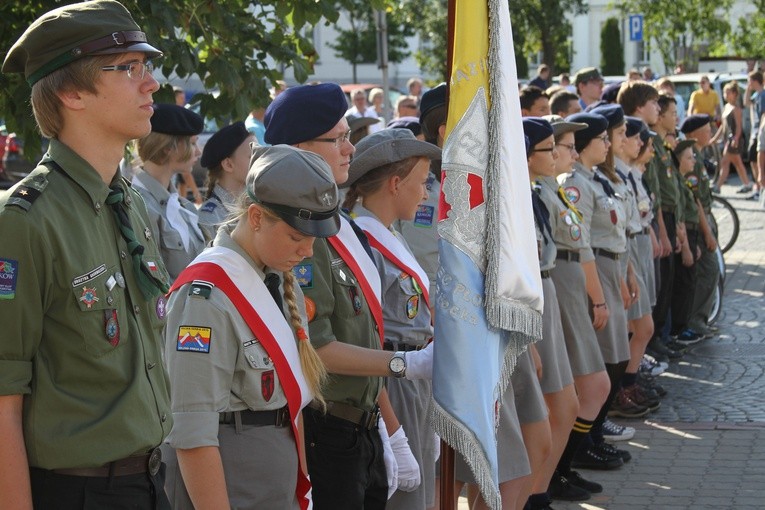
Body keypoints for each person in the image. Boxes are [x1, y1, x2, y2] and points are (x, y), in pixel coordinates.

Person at [0, 1, 173, 508]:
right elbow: (3, 400)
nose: (151, 83)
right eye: (128, 68)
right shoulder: (25, 221)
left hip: (149, 480)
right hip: (76, 490)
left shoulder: (129, 200)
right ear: (72, 92)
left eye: (147, 66)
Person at [264, 82, 423, 509]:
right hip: (326, 432)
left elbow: (365, 336)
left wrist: (392, 432)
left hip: (361, 426)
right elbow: (318, 347)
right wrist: (404, 363)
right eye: (338, 139)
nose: (350, 149)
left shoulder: (344, 228)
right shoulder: (299, 234)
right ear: (300, 149)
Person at [162, 145, 339, 509]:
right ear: (256, 217)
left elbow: (291, 403)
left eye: (314, 238)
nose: (308, 251)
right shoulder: (207, 297)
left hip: (274, 484)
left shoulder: (275, 280)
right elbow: (193, 431)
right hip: (232, 486)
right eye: (296, 236)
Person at [342, 128, 440, 510]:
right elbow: (366, 340)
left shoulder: (389, 234)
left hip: (413, 378)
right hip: (392, 383)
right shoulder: (362, 242)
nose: (427, 193)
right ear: (396, 184)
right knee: (406, 501)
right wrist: (394, 428)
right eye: (421, 182)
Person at [560, 111, 635, 471]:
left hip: (609, 265)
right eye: (603, 139)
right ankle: (583, 443)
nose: (608, 145)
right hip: (595, 271)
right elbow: (583, 241)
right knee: (605, 360)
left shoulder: (598, 179)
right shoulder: (576, 184)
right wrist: (599, 294)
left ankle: (592, 436)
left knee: (616, 356)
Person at [523, 118, 588, 509]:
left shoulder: (535, 193)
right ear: (528, 155)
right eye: (549, 148)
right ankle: (533, 495)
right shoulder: (516, 197)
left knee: (565, 405)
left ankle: (539, 491)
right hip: (533, 296)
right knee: (550, 410)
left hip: (545, 288)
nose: (559, 154)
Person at [132, 103, 206, 281]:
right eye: (192, 143)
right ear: (168, 148)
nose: (198, 151)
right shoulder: (139, 205)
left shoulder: (182, 204)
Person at [680, 115, 721, 338]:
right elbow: (695, 200)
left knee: (709, 270)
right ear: (693, 134)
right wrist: (707, 232)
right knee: (708, 269)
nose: (709, 133)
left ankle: (699, 319)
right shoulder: (691, 156)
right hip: (699, 219)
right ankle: (695, 321)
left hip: (706, 216)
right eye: (705, 129)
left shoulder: (699, 154)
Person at [198, 121, 254, 236]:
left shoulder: (255, 203)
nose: (258, 160)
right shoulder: (211, 217)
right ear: (228, 164)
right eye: (251, 156)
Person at [712, 81, 754, 193]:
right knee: (737, 163)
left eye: (728, 92)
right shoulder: (726, 107)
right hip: (728, 140)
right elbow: (723, 126)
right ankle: (747, 183)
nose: (725, 94)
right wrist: (716, 138)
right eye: (724, 92)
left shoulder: (736, 109)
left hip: (734, 140)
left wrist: (735, 138)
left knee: (726, 161)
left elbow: (739, 127)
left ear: (734, 94)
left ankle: (718, 186)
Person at [744, 71, 765, 199]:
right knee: (753, 160)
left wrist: (760, 132)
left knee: (757, 159)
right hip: (755, 131)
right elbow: (746, 103)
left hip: (759, 132)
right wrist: (748, 87)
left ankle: (760, 185)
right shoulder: (757, 94)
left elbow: (763, 114)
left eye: (749, 81)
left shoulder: (763, 95)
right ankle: (759, 186)